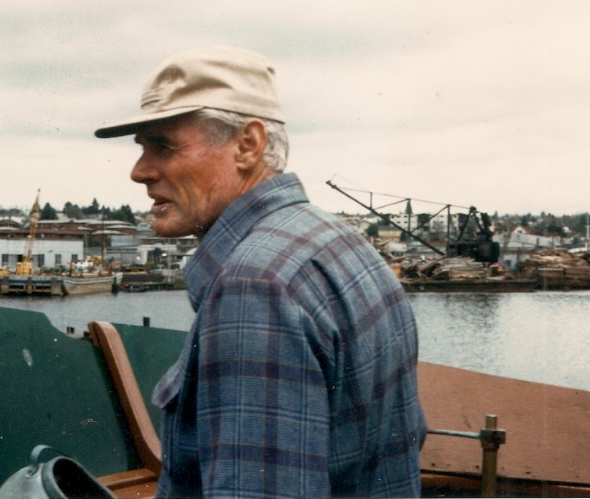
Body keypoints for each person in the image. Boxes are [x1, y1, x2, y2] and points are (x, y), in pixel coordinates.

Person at [95, 46, 427, 498]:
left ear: (248, 145)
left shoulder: (254, 287)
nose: (139, 171)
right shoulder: (335, 238)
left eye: (163, 146)